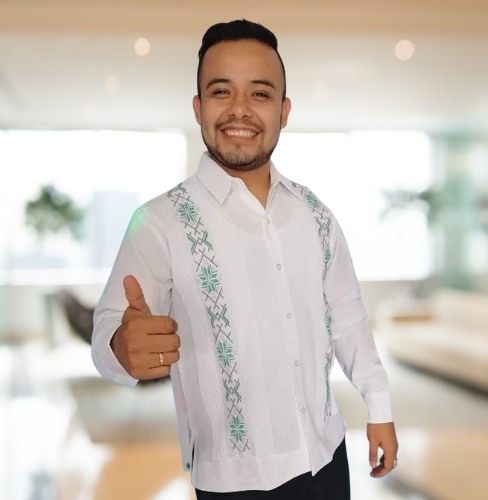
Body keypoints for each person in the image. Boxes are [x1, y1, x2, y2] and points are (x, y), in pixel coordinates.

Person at [91, 18, 399, 500]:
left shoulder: (316, 215)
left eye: (260, 93)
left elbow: (348, 318)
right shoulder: (158, 222)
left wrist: (378, 406)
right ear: (198, 107)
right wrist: (119, 348)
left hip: (327, 457)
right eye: (221, 92)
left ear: (283, 110)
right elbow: (109, 331)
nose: (240, 109)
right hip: (233, 485)